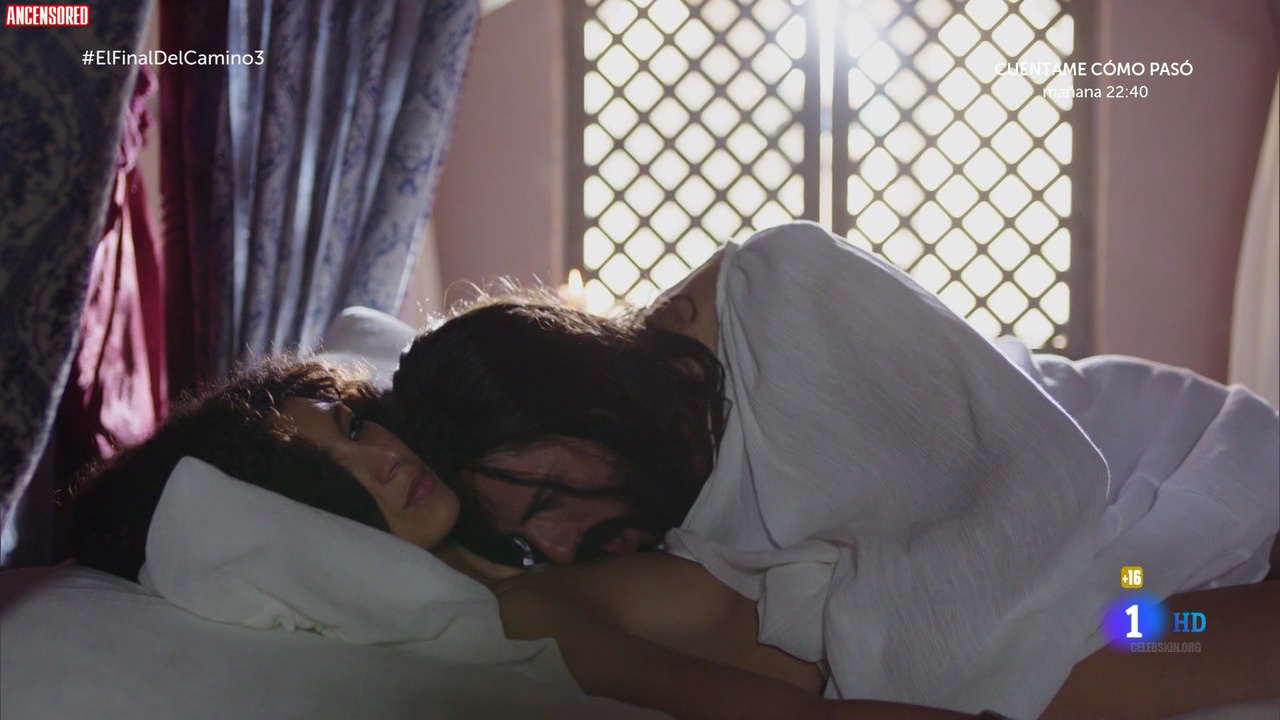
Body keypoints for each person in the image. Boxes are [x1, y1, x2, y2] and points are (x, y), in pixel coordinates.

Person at [383, 221, 1280, 718]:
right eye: (525, 534)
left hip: (1124, 450)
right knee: (1076, 652)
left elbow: (1010, 483)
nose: (557, 541)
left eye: (547, 494)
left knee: (1060, 652)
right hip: (1044, 531)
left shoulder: (764, 293)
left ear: (570, 396)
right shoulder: (650, 508)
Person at [69, 356, 994, 720]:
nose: (383, 456)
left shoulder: (511, 562)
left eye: (351, 426)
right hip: (947, 668)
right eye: (334, 479)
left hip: (934, 604)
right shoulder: (512, 621)